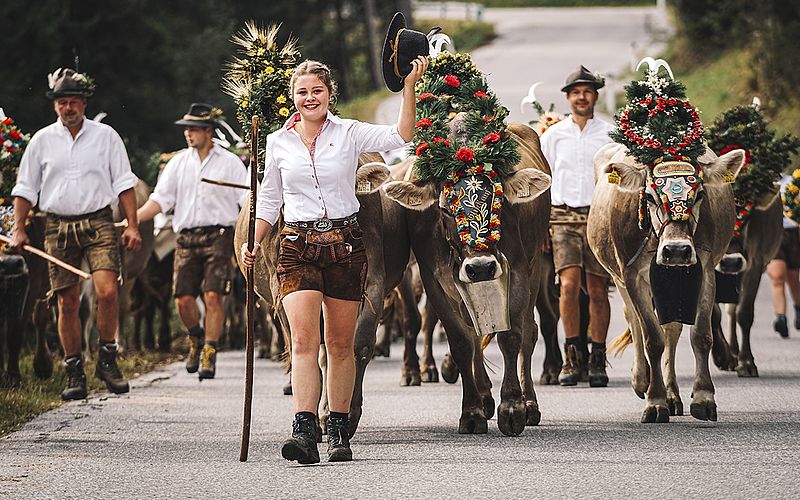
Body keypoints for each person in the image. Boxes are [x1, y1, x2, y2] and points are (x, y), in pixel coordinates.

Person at [241, 54, 427, 464]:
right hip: (297, 246)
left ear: (330, 95)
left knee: (340, 345)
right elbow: (270, 200)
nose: (310, 98)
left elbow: (401, 135)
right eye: (302, 92)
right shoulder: (276, 142)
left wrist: (409, 87)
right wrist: (253, 241)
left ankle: (339, 430)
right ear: (292, 98)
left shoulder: (349, 134)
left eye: (317, 91)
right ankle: (304, 430)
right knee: (304, 343)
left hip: (344, 244)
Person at [10, 68, 142, 400]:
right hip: (57, 225)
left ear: (84, 103)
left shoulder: (106, 136)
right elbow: (25, 189)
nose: (68, 108)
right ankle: (73, 370)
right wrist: (18, 229)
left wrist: (133, 225)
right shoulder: (41, 141)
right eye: (62, 103)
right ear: (55, 105)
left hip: (98, 222)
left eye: (74, 102)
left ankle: (107, 358)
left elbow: (124, 183)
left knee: (107, 292)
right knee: (67, 302)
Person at [136, 103, 248, 379]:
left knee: (213, 294)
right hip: (186, 238)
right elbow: (160, 201)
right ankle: (196, 338)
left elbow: (246, 201)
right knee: (183, 299)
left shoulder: (230, 163)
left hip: (219, 236)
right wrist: (132, 219)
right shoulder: (178, 164)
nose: (188, 134)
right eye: (186, 129)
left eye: (193, 129)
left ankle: (210, 350)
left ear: (208, 131)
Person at [540, 65, 613, 387]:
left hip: (599, 217)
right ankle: (571, 357)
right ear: (568, 98)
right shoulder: (554, 136)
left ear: (595, 95)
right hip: (563, 217)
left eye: (587, 91)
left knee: (597, 290)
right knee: (567, 286)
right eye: (575, 92)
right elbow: (544, 180)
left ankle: (597, 358)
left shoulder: (610, 135)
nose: (581, 97)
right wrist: (542, 223)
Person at [766, 172, 800, 338]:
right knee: (778, 276)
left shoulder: (792, 181)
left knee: (793, 277)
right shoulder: (761, 182)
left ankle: (798, 309)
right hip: (773, 233)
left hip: (793, 233)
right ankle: (781, 317)